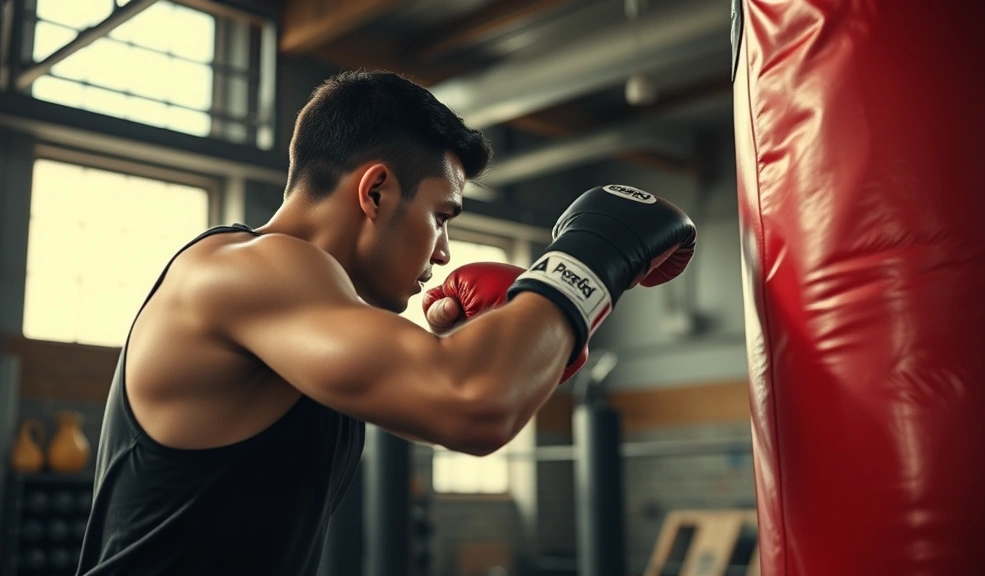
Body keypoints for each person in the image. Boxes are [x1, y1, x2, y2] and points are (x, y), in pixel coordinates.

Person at [74, 70, 696, 576]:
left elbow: (458, 393)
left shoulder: (298, 301)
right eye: (442, 215)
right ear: (375, 192)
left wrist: (505, 332)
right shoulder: (250, 270)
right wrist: (588, 257)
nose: (445, 250)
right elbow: (475, 401)